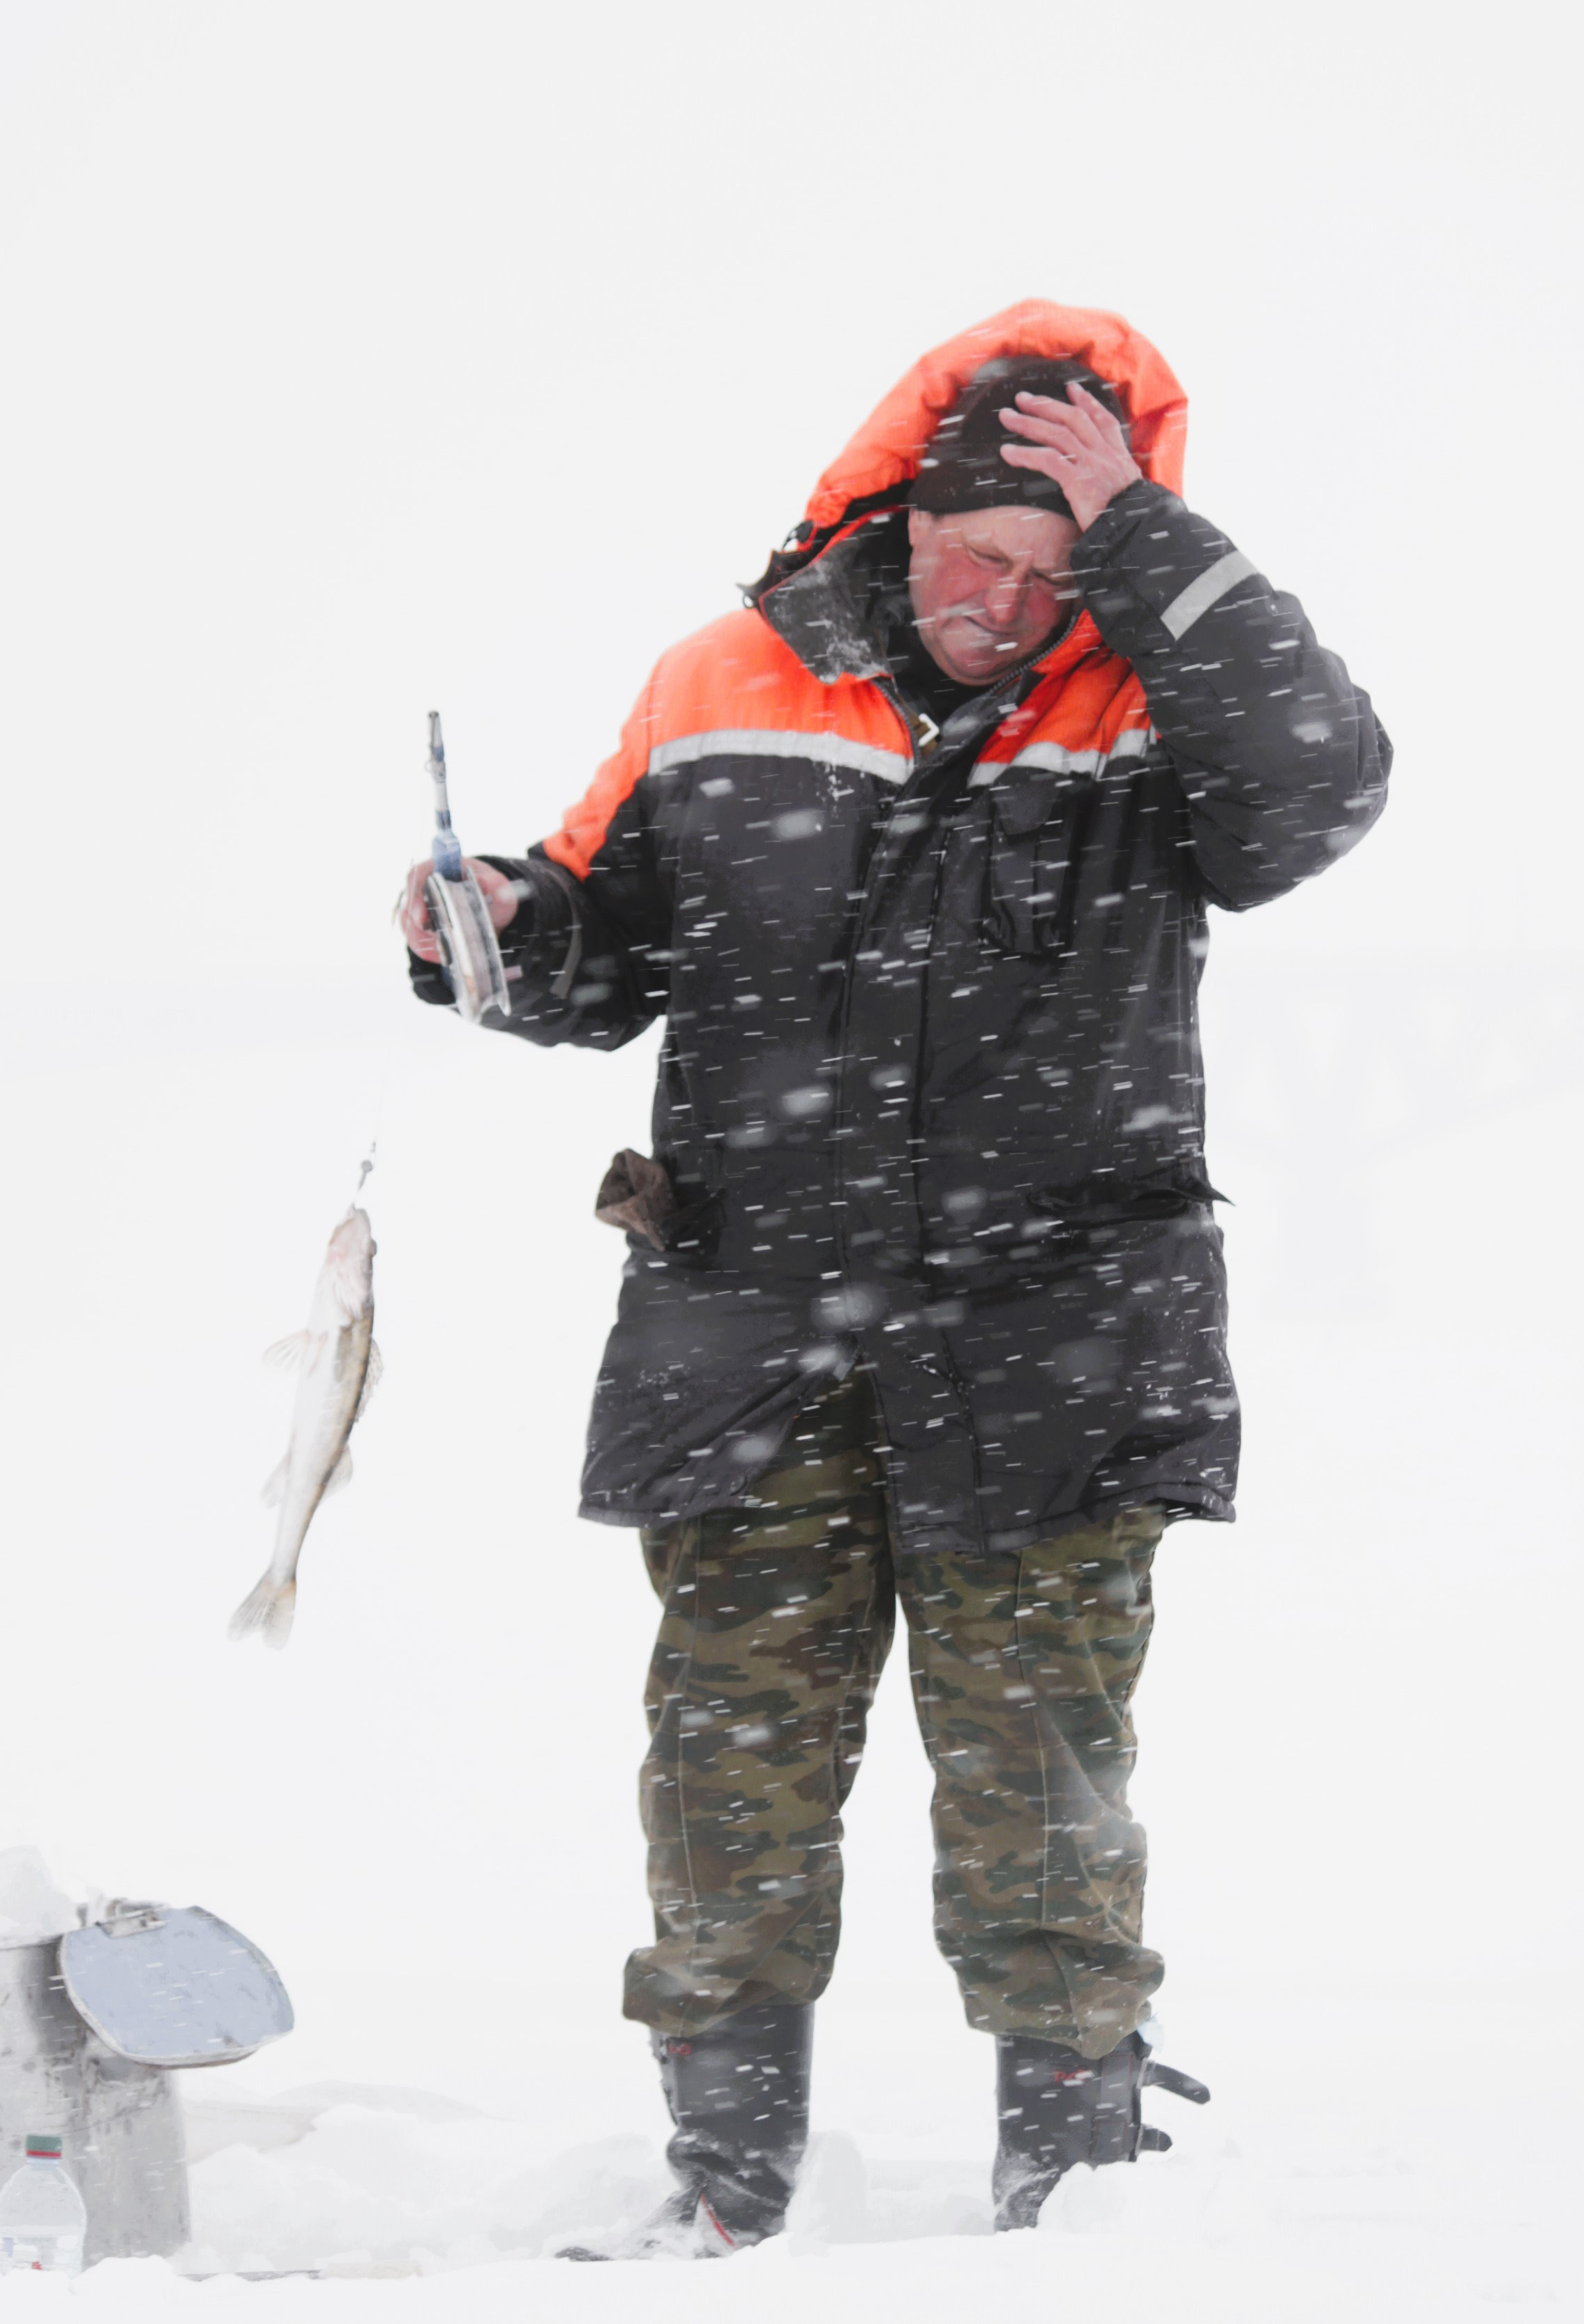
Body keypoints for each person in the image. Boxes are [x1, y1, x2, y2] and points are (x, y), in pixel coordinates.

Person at [401, 301, 1390, 2256]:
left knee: (1042, 1781)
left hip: (1059, 1340)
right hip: (750, 1332)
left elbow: (1319, 793)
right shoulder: (726, 678)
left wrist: (1156, 553)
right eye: (977, 554)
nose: (1007, 604)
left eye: (1052, 567)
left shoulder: (1145, 693)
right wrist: (491, 929)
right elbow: (601, 944)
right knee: (729, 1768)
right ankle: (723, 2181)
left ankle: (1077, 2189)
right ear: (900, 516)